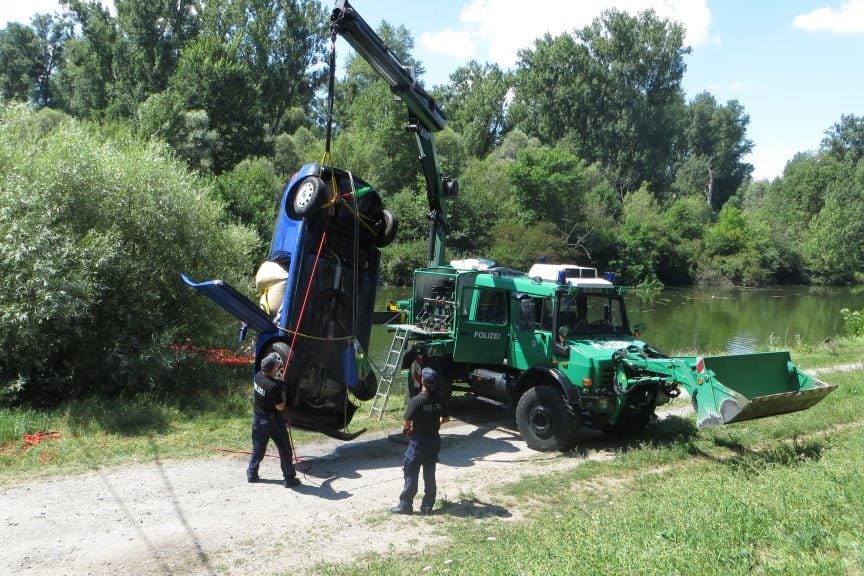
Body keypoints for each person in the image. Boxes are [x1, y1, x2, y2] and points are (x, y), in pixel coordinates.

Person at [391, 366, 450, 515]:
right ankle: (427, 507)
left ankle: (405, 505)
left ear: (422, 380)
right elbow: (446, 418)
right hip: (434, 440)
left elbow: (407, 421)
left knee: (410, 471)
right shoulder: (441, 399)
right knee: (429, 474)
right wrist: (435, 421)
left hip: (419, 442)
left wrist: (408, 428)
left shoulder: (416, 401)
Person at [247, 352, 300, 488]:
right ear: (272, 370)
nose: (278, 365)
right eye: (276, 365)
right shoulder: (274, 388)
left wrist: (278, 383)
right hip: (273, 422)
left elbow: (269, 383)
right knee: (285, 449)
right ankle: (289, 479)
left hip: (258, 419)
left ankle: (252, 473)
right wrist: (282, 392)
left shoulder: (258, 376)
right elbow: (280, 406)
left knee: (258, 448)